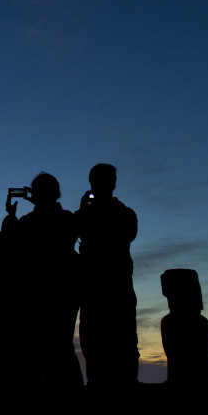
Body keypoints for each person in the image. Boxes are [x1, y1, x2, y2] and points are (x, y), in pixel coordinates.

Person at [0, 172, 82, 386]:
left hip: (33, 293)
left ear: (34, 195)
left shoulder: (26, 223)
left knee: (34, 349)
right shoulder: (69, 219)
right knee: (63, 347)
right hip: (65, 290)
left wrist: (10, 215)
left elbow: (7, 246)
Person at [76, 163, 138, 386]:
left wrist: (86, 212)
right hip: (104, 284)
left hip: (107, 284)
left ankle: (118, 382)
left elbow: (128, 234)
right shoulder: (124, 213)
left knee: (115, 338)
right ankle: (112, 382)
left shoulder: (122, 213)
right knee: (102, 338)